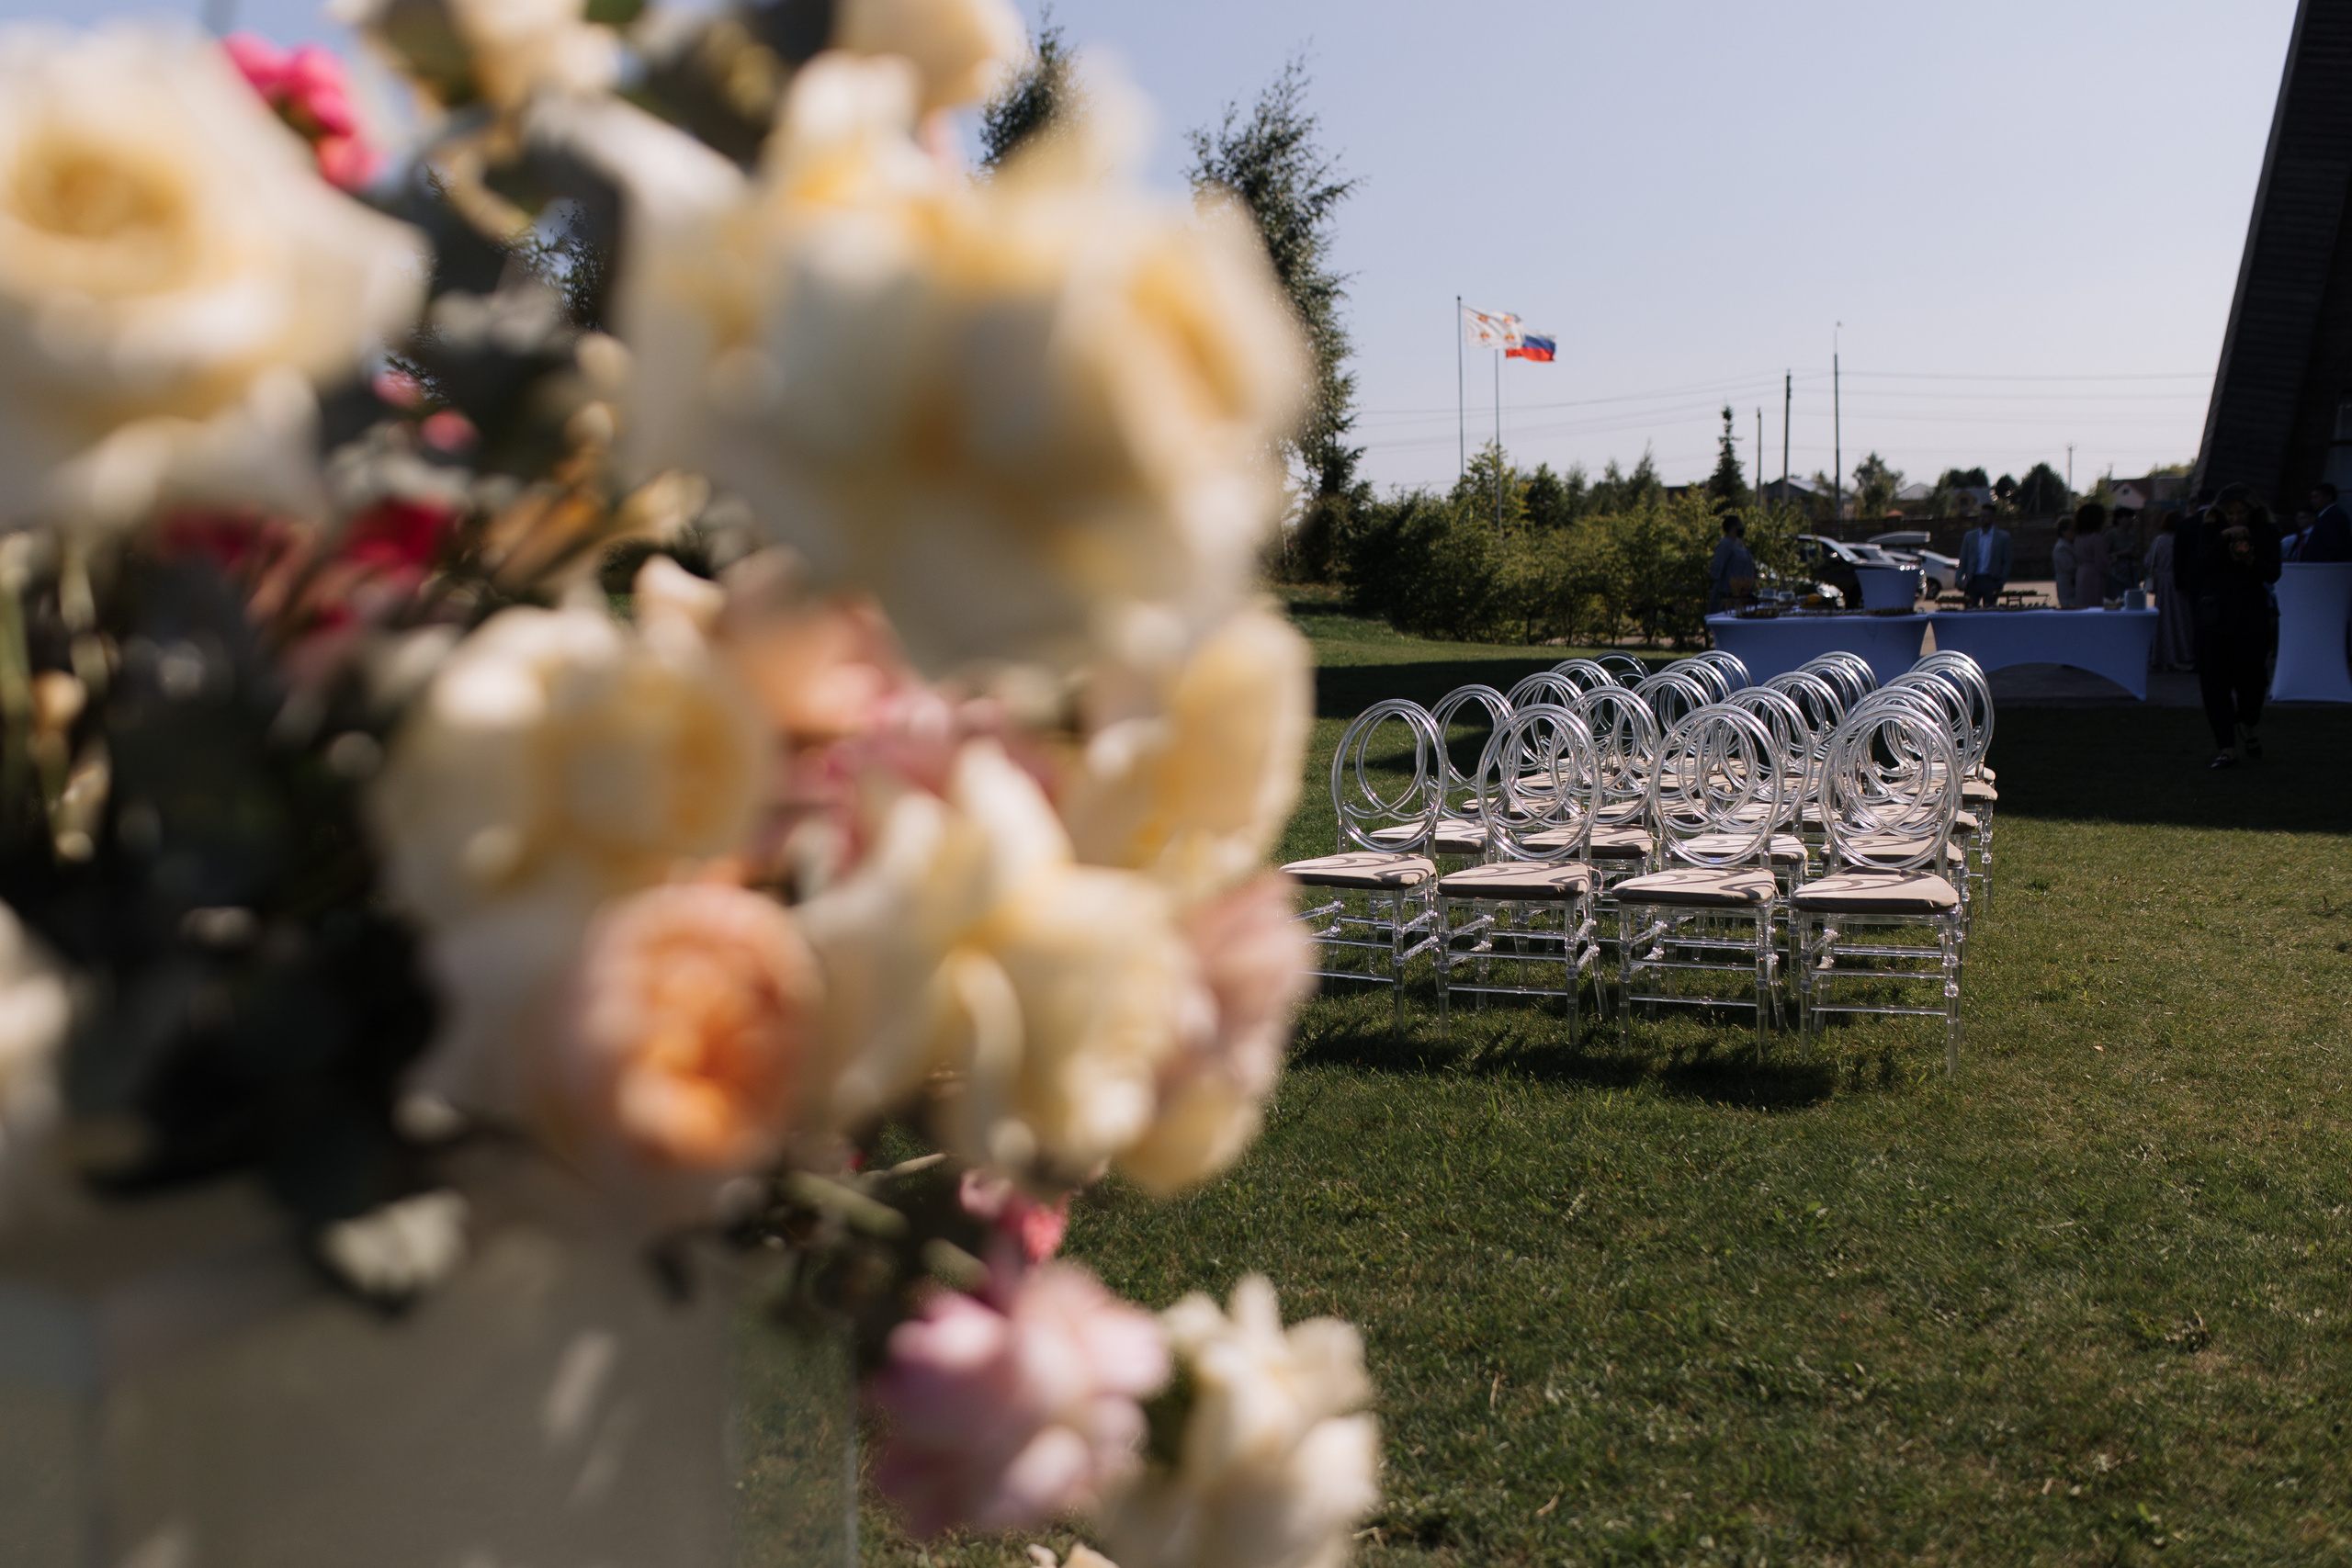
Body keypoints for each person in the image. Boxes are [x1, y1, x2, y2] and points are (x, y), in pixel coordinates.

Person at [2177, 482, 2282, 768]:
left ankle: (2247, 723)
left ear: (2253, 511)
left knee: (2253, 681)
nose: (2236, 518)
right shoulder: (2209, 530)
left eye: (2242, 513)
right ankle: (2227, 748)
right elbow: (2199, 570)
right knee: (2214, 684)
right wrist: (2222, 541)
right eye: (2231, 513)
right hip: (2215, 617)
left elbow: (2273, 573)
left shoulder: (2266, 531)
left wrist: (2250, 559)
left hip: (2251, 615)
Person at [2146, 511, 2195, 670]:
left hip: (2162, 584)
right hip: (2178, 582)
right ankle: (2183, 653)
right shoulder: (2183, 540)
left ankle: (2162, 655)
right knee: (2181, 619)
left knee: (2164, 620)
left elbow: (2148, 561)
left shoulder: (2159, 541)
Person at [1957, 503, 2012, 606]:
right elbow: (1963, 559)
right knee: (1969, 610)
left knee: (1989, 611)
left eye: (1985, 516)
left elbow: (2007, 561)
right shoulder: (1970, 536)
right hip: (1972, 580)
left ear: (1992, 518)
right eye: (1980, 515)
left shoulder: (2003, 537)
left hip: (1991, 580)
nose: (1982, 519)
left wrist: (2001, 581)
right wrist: (1958, 580)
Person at [1707, 513, 1756, 615]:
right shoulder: (1725, 545)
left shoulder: (1739, 544)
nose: (1742, 528)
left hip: (1742, 596)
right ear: (1733, 527)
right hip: (1728, 597)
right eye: (1740, 525)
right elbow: (1716, 570)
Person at [2072, 502, 2112, 609]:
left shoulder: (2078, 538)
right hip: (2094, 575)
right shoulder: (2097, 539)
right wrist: (2110, 565)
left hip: (2081, 573)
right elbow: (2101, 562)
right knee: (2094, 604)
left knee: (2082, 603)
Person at [2302, 481, 2352, 562]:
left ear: (2328, 497)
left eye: (2316, 497)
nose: (2312, 501)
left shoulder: (2331, 516)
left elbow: (2333, 544)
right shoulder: (2328, 515)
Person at [2052, 515, 2077, 609]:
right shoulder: (2062, 548)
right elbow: (2069, 567)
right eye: (2071, 529)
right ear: (2063, 531)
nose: (2074, 532)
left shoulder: (2070, 545)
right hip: (2068, 587)